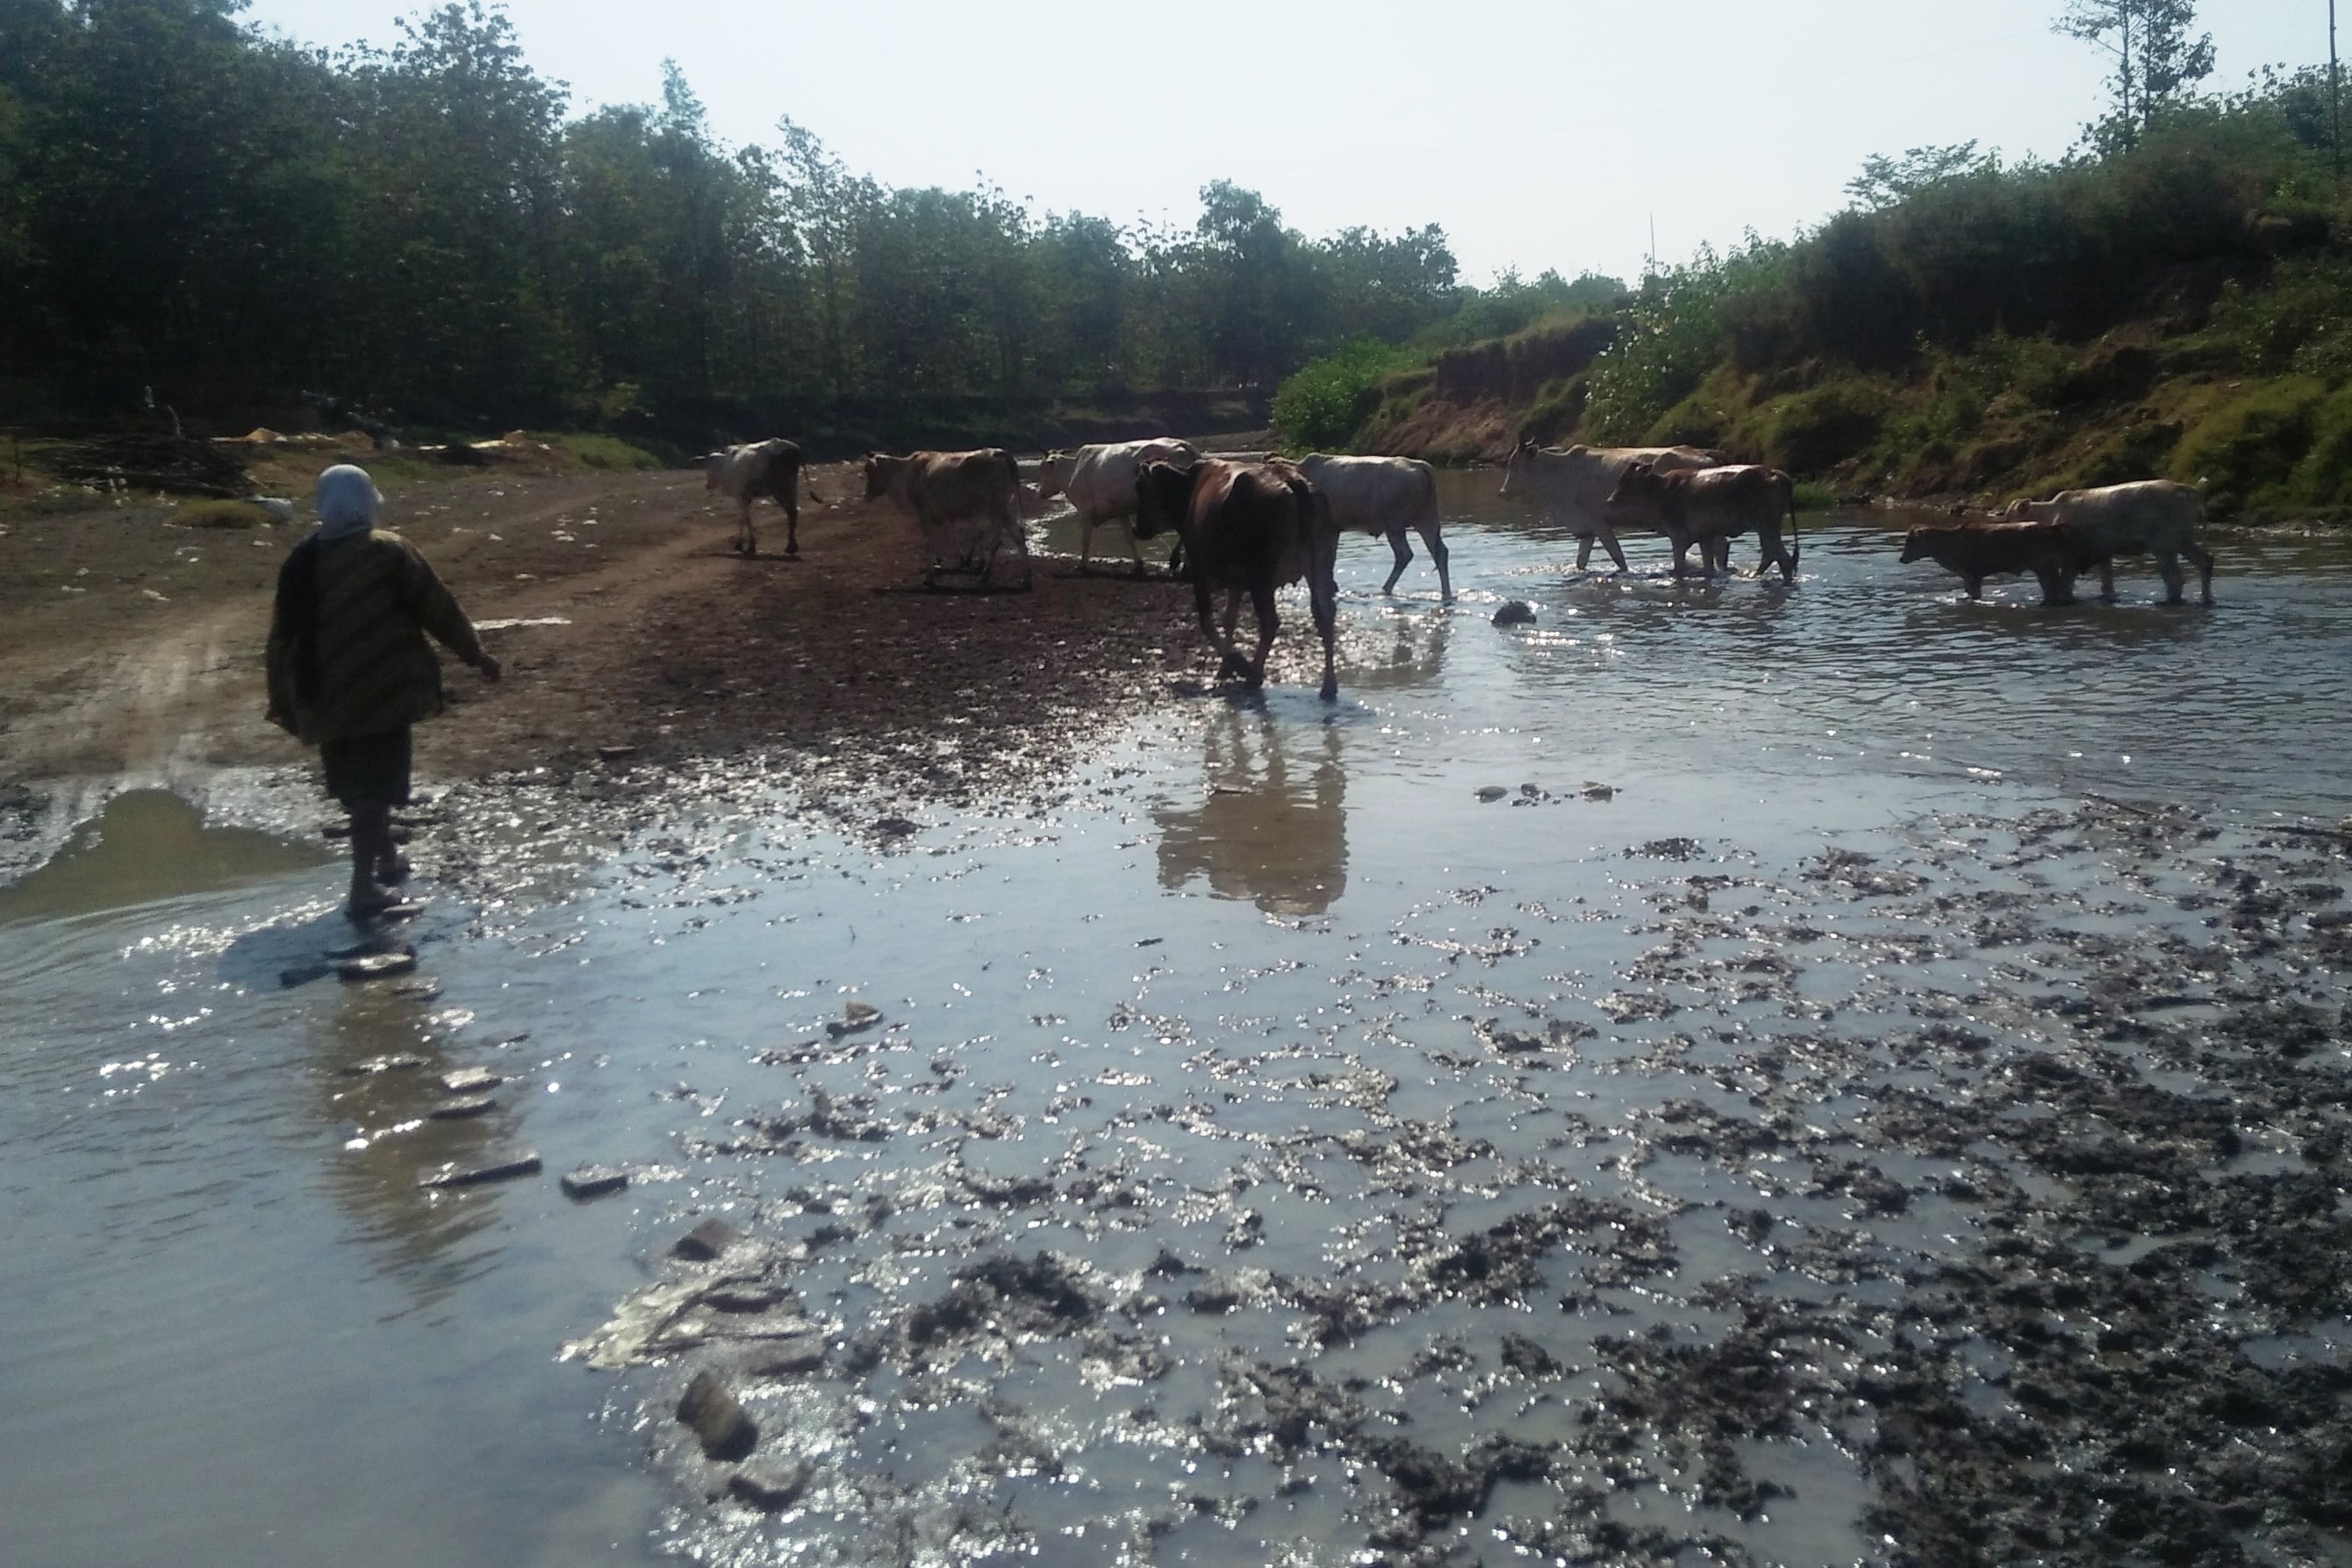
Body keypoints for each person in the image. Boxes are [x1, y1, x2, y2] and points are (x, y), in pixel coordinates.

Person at [266, 463, 500, 916]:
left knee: (357, 783)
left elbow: (281, 635)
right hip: (382, 691)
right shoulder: (388, 552)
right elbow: (438, 609)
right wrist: (477, 655)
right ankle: (362, 889)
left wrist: (284, 694)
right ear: (368, 500)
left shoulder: (302, 559)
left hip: (323, 693)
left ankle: (387, 857)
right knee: (376, 786)